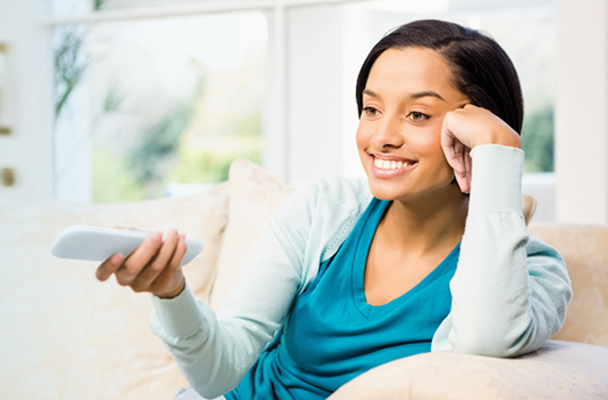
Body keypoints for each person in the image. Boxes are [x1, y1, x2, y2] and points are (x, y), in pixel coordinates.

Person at [96, 19, 572, 400]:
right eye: (370, 109)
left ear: (473, 129)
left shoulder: (536, 272)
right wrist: (173, 293)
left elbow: (484, 345)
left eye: (418, 114)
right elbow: (217, 374)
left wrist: (498, 154)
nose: (381, 136)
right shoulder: (323, 211)